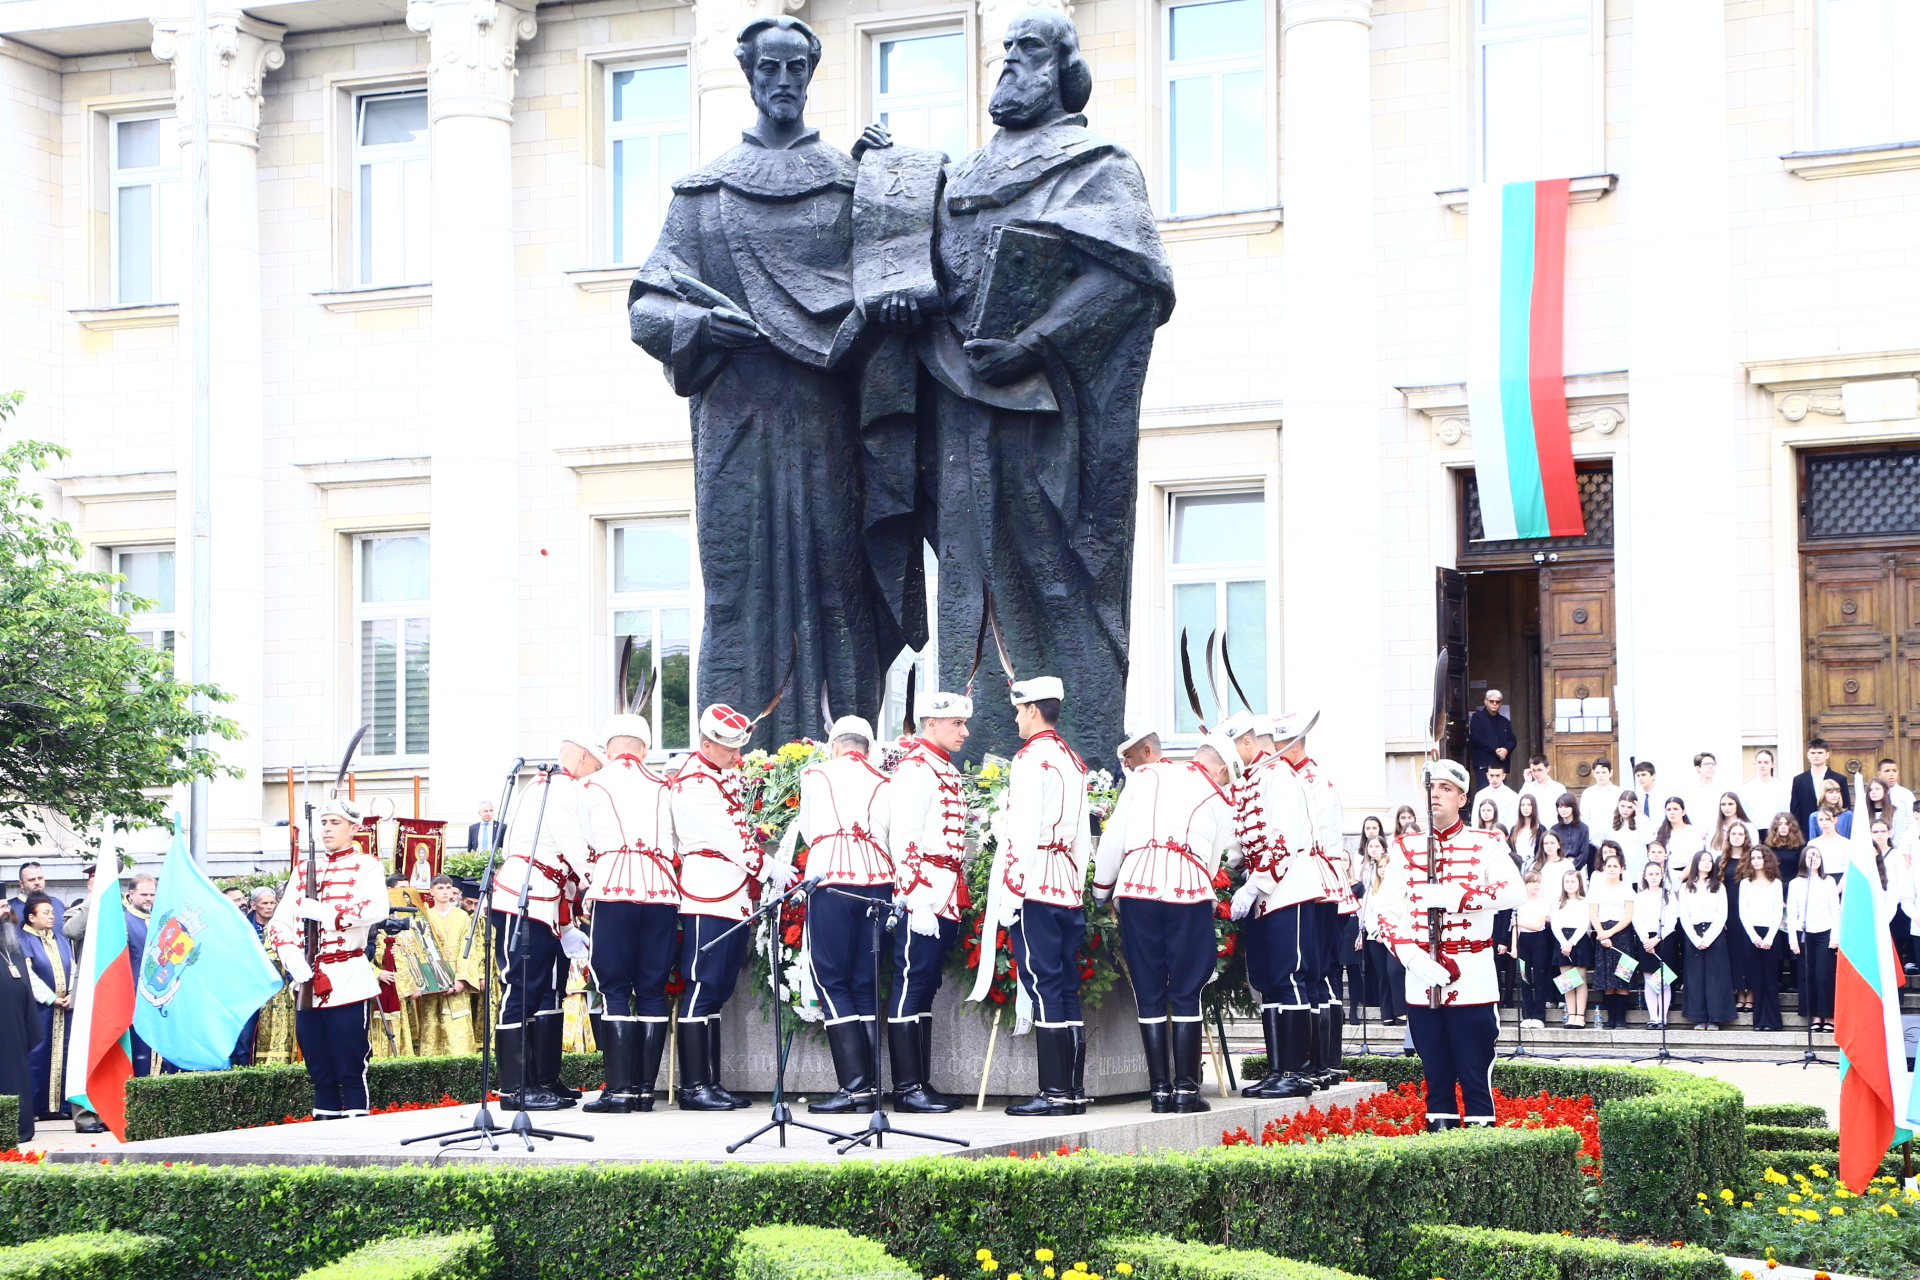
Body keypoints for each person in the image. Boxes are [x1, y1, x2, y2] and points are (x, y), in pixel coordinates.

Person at [876, 10, 1174, 764]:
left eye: (1028, 52)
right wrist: (886, 199)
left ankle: (1078, 760)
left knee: (1048, 570)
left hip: (1045, 416)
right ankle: (966, 759)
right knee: (965, 578)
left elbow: (1127, 283)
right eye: (1004, 52)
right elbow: (920, 269)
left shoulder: (1097, 163)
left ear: (1062, 70)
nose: (1008, 64)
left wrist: (1034, 343)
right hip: (957, 399)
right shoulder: (961, 175)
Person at [630, 16, 908, 749]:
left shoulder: (846, 183)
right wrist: (697, 329)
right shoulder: (704, 193)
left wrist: (887, 181)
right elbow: (649, 305)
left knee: (836, 581)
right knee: (739, 585)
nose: (783, 82)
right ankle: (737, 758)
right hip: (737, 416)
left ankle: (845, 750)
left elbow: (895, 268)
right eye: (770, 69)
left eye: (796, 69)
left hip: (827, 414)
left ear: (809, 76)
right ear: (749, 75)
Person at [1376, 758, 1525, 1131]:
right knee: (1434, 1071)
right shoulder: (1405, 847)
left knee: (1475, 1070)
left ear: (1462, 798)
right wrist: (1409, 955)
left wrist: (1459, 896)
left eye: (1446, 789)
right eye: (1432, 788)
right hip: (1422, 979)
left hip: (1472, 976)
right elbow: (1384, 912)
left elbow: (1514, 890)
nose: (1437, 795)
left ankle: (1480, 1142)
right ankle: (1438, 1138)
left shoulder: (1486, 843)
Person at [1094, 735, 1239, 1113]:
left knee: (1149, 988)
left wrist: (1100, 889)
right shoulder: (1222, 801)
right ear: (1221, 769)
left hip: (1138, 888)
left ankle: (1159, 1091)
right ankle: (1187, 1092)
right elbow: (1210, 862)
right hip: (1188, 891)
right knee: (1187, 992)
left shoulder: (1148, 775)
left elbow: (1114, 839)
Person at [777, 715, 897, 1115]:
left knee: (831, 977)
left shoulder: (816, 773)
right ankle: (870, 1088)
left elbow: (810, 831)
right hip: (878, 882)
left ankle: (854, 1086)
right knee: (865, 980)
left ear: (834, 746)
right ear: (868, 747)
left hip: (832, 880)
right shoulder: (885, 781)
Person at [988, 677, 1093, 1117]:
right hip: (1065, 883)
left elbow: (1022, 831)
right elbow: (1084, 837)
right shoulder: (1071, 759)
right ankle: (1070, 1090)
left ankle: (1053, 1092)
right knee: (1064, 987)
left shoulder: (1031, 758)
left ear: (1033, 710)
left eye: (1019, 710)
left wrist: (1013, 888)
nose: (1015, 718)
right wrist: (1076, 883)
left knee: (1043, 983)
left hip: (1034, 883)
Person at [671, 706, 782, 1112]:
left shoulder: (720, 775)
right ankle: (694, 1086)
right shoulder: (694, 782)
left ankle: (711, 1082)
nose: (738, 757)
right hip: (707, 891)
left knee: (717, 989)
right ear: (706, 745)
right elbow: (726, 836)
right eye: (729, 750)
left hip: (732, 893)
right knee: (702, 986)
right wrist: (768, 867)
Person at [491, 734, 606, 1111]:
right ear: (586, 757)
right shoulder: (557, 786)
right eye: (596, 766)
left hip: (545, 899)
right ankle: (514, 1088)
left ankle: (542, 1078)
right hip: (525, 896)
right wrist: (598, 878)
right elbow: (575, 845)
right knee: (522, 988)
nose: (596, 775)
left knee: (545, 990)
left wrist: (571, 918)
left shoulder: (553, 786)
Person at [578, 711, 679, 1115]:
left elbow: (585, 837)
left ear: (607, 749)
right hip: (660, 892)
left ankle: (618, 1091)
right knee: (652, 988)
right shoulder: (664, 785)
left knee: (614, 988)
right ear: (646, 749)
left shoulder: (590, 784)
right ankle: (642, 1091)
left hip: (613, 887)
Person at [264, 798, 387, 1119]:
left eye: (336, 823)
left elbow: (377, 909)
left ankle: (357, 1124)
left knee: (349, 1060)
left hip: (346, 976)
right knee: (317, 1062)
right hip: (307, 978)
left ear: (354, 828)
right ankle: (324, 1125)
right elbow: (279, 921)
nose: (328, 829)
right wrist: (290, 955)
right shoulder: (304, 868)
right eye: (324, 822)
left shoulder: (367, 865)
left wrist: (326, 913)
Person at [889, 691, 976, 1113]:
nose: (964, 731)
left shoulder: (943, 768)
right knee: (911, 983)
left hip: (944, 889)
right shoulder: (916, 767)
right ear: (930, 724)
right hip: (923, 891)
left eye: (963, 724)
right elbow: (903, 836)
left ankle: (921, 1083)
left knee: (925, 985)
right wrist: (917, 899)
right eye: (955, 724)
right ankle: (907, 1088)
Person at [406, 875, 488, 1058]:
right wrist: (427, 980)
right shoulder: (424, 917)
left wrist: (461, 978)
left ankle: (461, 1075)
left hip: (457, 977)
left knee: (458, 1030)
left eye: (448, 888)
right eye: (440, 888)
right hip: (432, 980)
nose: (445, 892)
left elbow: (469, 949)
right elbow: (419, 950)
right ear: (431, 891)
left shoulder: (462, 917)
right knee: (431, 1029)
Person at [19, 894, 73, 1120]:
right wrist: (51, 998)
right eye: (45, 913)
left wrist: (71, 993)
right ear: (31, 917)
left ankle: (59, 1106)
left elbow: (74, 966)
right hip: (41, 1009)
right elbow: (27, 975)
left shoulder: (60, 939)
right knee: (39, 1055)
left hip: (66, 1008)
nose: (51, 916)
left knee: (63, 1055)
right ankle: (38, 1106)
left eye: (52, 912)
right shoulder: (24, 940)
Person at [1786, 844, 1840, 1034]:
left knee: (1823, 976)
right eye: (1810, 856)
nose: (1814, 859)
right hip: (1804, 933)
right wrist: (1792, 939)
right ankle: (1816, 1017)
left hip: (1825, 933)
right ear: (1803, 860)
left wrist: (1835, 936)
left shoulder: (1829, 881)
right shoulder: (1796, 883)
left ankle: (1829, 1017)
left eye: (1817, 855)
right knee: (1808, 977)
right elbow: (1791, 913)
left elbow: (1835, 909)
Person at [1678, 849, 1734, 1030]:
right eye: (1702, 860)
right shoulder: (1686, 887)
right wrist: (1696, 939)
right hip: (1693, 933)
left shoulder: (1718, 886)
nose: (1706, 863)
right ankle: (1698, 1017)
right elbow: (1684, 915)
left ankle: (1715, 1018)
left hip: (1714, 934)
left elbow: (1721, 914)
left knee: (1715, 976)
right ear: (1696, 863)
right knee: (1695, 977)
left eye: (1709, 860)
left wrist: (1709, 938)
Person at [1358, 836, 1407, 1027]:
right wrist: (1377, 933)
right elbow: (1367, 915)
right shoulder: (1371, 890)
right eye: (1380, 867)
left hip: (1396, 937)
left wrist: (1390, 932)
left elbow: (1403, 912)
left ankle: (1401, 1012)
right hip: (1376, 939)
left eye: (1386, 867)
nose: (1383, 870)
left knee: (1394, 971)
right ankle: (1387, 1013)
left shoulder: (1401, 889)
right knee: (1382, 976)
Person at [0, 906, 39, 1144]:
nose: (7, 910)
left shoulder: (11, 945)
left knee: (16, 1073)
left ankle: (20, 1125)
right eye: (1, 906)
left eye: (6, 905)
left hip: (15, 1024)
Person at [1588, 844, 1638, 1030]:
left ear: (1621, 869)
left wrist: (1611, 932)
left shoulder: (1626, 889)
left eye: (1615, 866)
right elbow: (1593, 913)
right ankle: (1610, 1018)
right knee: (1608, 977)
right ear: (1604, 868)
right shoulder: (1597, 888)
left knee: (1622, 976)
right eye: (1609, 866)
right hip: (1602, 932)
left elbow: (1628, 915)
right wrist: (1602, 933)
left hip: (1621, 933)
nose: (1611, 869)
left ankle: (1621, 1019)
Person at [1736, 845, 1785, 1031]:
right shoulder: (1745, 883)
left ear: (1767, 860)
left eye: (1760, 857)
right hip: (1752, 935)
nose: (1756, 861)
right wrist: (1754, 937)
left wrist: (1770, 938)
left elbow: (1778, 912)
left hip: (1771, 934)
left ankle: (1773, 1021)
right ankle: (1759, 1021)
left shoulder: (1776, 883)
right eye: (1753, 858)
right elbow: (1743, 912)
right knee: (1756, 979)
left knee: (1770, 978)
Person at [1719, 820, 1760, 1014]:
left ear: (1746, 838)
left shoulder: (1751, 859)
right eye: (1733, 834)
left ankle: (1750, 994)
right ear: (1728, 837)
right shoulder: (1722, 859)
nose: (1736, 837)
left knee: (1749, 953)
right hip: (1730, 914)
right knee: (1735, 954)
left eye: (1740, 834)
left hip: (1750, 913)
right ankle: (1740, 993)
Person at [1633, 862, 1679, 1031]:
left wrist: (1657, 938)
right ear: (1645, 876)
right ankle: (1653, 1017)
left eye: (1656, 874)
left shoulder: (1668, 896)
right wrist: (1646, 939)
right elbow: (1637, 919)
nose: (1653, 877)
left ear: (1661, 876)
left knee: (1663, 981)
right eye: (1650, 874)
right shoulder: (1639, 897)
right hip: (1646, 939)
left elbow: (1672, 920)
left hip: (1664, 939)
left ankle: (1663, 1017)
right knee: (1649, 980)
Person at [1548, 867, 1592, 1028]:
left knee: (1579, 980)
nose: (1570, 884)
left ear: (1579, 883)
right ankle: (1571, 1015)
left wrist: (1571, 943)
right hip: (1561, 941)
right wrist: (1563, 943)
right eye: (1567, 881)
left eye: (1573, 881)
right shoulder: (1558, 901)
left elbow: (1584, 924)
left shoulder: (1584, 901)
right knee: (1567, 981)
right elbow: (1555, 924)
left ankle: (1580, 1016)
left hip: (1578, 940)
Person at [1512, 870, 1552, 1030]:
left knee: (1540, 979)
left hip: (1539, 940)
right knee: (1525, 979)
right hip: (1523, 942)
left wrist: (1520, 923)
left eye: (1538, 882)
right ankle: (1527, 1015)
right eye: (1532, 882)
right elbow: (1515, 926)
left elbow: (1537, 925)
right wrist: (1514, 946)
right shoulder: (1519, 903)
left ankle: (1539, 1016)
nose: (1536, 885)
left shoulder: (1543, 902)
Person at [1790, 739, 1851, 842]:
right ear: (1808, 755)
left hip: (1836, 832)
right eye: (1813, 753)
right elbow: (1795, 811)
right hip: (1806, 833)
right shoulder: (1799, 780)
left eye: (1820, 752)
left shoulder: (1840, 779)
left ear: (1827, 755)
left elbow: (1845, 805)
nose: (1816, 756)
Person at [1466, 689, 1516, 792]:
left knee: (1501, 793)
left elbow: (1512, 739)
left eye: (1497, 702)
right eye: (1491, 701)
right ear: (1485, 701)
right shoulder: (1477, 718)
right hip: (1484, 763)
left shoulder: (1504, 721)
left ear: (1500, 703)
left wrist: (1506, 750)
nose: (1494, 704)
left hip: (1501, 764)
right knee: (1485, 793)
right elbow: (1477, 738)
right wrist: (1496, 750)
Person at [1740, 750, 1791, 833]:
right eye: (1759, 762)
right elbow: (1743, 813)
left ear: (1772, 764)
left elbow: (1786, 812)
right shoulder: (1746, 788)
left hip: (1776, 833)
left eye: (1766, 762)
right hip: (1754, 832)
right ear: (1755, 764)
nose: (1762, 765)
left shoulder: (1783, 787)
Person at [1607, 790, 1648, 885]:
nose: (1625, 810)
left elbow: (1647, 839)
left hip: (1637, 870)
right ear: (1618, 804)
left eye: (1629, 807)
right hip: (1618, 870)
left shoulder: (1642, 820)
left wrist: (1639, 815)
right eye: (1622, 806)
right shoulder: (1611, 821)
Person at [1656, 798, 1705, 877]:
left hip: (1689, 873)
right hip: (1666, 873)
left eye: (1675, 809)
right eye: (1669, 810)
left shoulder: (1692, 832)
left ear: (1683, 812)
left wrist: (1681, 878)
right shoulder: (1660, 832)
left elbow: (1695, 858)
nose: (1672, 812)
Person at [1550, 793, 1593, 873]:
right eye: (1560, 807)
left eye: (1566, 807)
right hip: (1558, 869)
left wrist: (1572, 869)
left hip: (1578, 870)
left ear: (1573, 807)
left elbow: (1583, 853)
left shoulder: (1583, 828)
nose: (1563, 810)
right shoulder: (1554, 829)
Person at [1764, 812, 1806, 885]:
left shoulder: (1800, 846)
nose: (1783, 827)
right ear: (1775, 827)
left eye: (1786, 824)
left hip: (1795, 884)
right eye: (1780, 824)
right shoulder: (1768, 847)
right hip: (1774, 884)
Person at [1879, 758, 1915, 842]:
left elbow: (1912, 819)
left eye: (1894, 771)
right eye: (1887, 771)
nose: (1891, 774)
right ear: (1879, 774)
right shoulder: (1872, 794)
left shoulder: (1906, 794)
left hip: (1902, 840)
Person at [1473, 764, 1520, 830]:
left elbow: (1513, 820)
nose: (1494, 779)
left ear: (1504, 776)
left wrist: (1506, 836)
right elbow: (1475, 819)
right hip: (1484, 835)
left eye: (1498, 776)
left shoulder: (1512, 795)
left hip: (1504, 835)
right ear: (1487, 775)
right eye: (1492, 776)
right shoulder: (1480, 795)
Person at [1582, 759, 1623, 830]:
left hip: (1615, 834)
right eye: (1597, 773)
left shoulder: (1619, 792)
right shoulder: (1588, 793)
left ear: (1611, 772)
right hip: (1593, 836)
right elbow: (1584, 817)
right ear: (1593, 773)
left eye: (1604, 772)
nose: (1601, 775)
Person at [1687, 753, 1724, 833]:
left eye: (1713, 764)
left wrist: (1709, 828)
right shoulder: (1691, 788)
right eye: (1707, 764)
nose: (1711, 767)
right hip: (1695, 831)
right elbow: (1688, 812)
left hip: (1717, 831)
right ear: (1698, 768)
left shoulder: (1721, 788)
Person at [1511, 793, 1544, 872]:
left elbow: (1541, 852)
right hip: (1517, 868)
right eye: (1522, 805)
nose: (1525, 808)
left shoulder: (1541, 829)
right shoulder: (1514, 829)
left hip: (1534, 868)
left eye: (1529, 805)